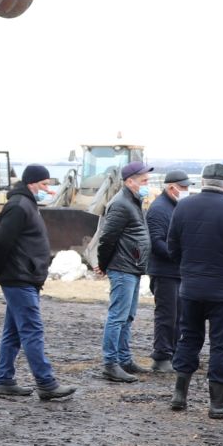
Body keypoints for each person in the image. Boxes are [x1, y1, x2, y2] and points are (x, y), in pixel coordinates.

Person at [165, 163, 223, 418]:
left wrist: (187, 270)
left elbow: (173, 245)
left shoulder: (183, 206)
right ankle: (218, 403)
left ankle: (179, 395)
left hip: (191, 287)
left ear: (203, 182)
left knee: (188, 338)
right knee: (222, 344)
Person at [0, 164, 75, 403]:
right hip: (19, 278)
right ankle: (46, 383)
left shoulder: (27, 205)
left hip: (25, 277)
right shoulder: (18, 206)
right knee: (32, 330)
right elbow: (2, 242)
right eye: (44, 184)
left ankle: (4, 379)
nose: (48, 189)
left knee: (14, 332)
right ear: (32, 183)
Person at [94, 161, 153, 383]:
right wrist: (103, 263)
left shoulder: (133, 201)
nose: (147, 185)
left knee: (127, 316)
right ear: (130, 182)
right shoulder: (120, 204)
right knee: (117, 317)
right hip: (122, 267)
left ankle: (125, 359)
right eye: (144, 181)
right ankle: (110, 363)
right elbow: (107, 238)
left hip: (132, 267)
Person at [145, 169, 191, 374]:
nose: (186, 190)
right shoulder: (158, 209)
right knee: (167, 315)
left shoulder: (176, 207)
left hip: (177, 271)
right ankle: (161, 356)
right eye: (183, 187)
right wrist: (179, 255)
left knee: (179, 315)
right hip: (164, 272)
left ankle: (173, 353)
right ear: (171, 187)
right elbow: (156, 242)